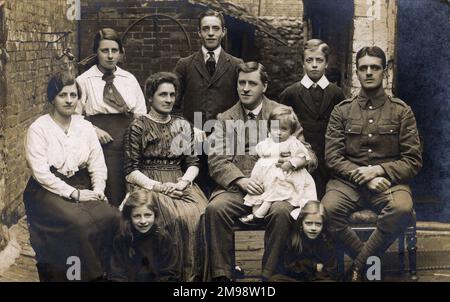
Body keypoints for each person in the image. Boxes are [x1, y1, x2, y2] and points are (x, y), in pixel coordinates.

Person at [205, 62, 317, 281]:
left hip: (279, 188)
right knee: (216, 208)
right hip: (241, 189)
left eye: (252, 83)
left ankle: (269, 275)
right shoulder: (225, 119)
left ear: (264, 86)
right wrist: (240, 180)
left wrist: (294, 161)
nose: (245, 88)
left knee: (283, 211)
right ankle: (222, 275)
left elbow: (309, 155)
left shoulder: (282, 114)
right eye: (241, 83)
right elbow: (216, 160)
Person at [322, 46, 423, 281]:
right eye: (363, 68)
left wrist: (379, 170)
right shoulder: (342, 111)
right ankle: (370, 265)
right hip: (347, 183)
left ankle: (358, 267)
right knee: (327, 209)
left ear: (385, 72)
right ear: (356, 72)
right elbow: (332, 157)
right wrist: (364, 176)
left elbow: (413, 160)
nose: (369, 72)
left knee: (401, 208)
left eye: (375, 67)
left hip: (388, 183)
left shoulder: (401, 111)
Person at [23, 71, 120, 281]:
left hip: (81, 183)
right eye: (62, 95)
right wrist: (75, 194)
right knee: (77, 225)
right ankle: (79, 277)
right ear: (52, 98)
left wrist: (98, 190)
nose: (69, 101)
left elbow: (97, 162)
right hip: (45, 190)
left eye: (73, 95)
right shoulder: (39, 128)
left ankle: (107, 272)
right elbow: (40, 173)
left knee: (112, 217)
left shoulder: (84, 127)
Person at [123, 72, 208, 282]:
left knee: (203, 213)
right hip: (148, 183)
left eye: (172, 94)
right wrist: (158, 187)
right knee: (173, 217)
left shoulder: (183, 125)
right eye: (163, 95)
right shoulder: (138, 126)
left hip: (179, 181)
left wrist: (184, 182)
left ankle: (197, 275)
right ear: (150, 97)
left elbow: (193, 163)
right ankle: (172, 275)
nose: (169, 99)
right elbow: (130, 170)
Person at [174, 9, 243, 196]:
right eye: (206, 29)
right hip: (191, 142)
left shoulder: (236, 65)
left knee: (223, 192)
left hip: (225, 142)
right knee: (194, 191)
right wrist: (189, 128)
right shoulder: (185, 65)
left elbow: (243, 106)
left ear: (223, 32)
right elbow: (173, 107)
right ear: (199, 33)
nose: (210, 33)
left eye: (215, 28)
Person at [76, 28, 147, 206]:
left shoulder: (128, 79)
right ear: (96, 52)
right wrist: (93, 130)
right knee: (110, 187)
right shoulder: (84, 80)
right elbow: (74, 116)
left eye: (114, 51)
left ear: (120, 53)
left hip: (129, 140)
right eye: (104, 50)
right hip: (101, 142)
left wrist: (137, 139)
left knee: (133, 185)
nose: (109, 56)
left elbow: (140, 113)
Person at [280, 39, 345, 199]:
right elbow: (281, 128)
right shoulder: (290, 94)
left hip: (327, 161)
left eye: (319, 60)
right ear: (303, 63)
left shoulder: (337, 93)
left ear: (327, 63)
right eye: (309, 60)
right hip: (299, 159)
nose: (314, 65)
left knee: (324, 202)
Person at [239, 106, 317, 224]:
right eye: (275, 128)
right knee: (257, 195)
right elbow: (259, 151)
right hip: (264, 178)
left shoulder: (292, 143)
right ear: (270, 128)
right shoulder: (268, 141)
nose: (279, 132)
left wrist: (291, 163)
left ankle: (259, 215)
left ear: (291, 130)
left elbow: (304, 157)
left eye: (284, 129)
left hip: (283, 178)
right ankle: (255, 214)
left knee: (273, 192)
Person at [109, 190, 179, 282]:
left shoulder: (162, 238)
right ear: (129, 217)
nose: (143, 221)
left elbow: (169, 272)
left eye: (148, 215)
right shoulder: (122, 238)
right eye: (137, 216)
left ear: (155, 215)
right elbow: (117, 274)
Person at [270, 200, 337, 282]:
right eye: (308, 223)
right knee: (275, 279)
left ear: (323, 224)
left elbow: (330, 270)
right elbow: (287, 267)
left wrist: (302, 267)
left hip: (317, 279)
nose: (313, 228)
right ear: (301, 223)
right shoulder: (294, 239)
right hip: (295, 278)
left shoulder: (326, 240)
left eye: (318, 224)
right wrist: (313, 266)